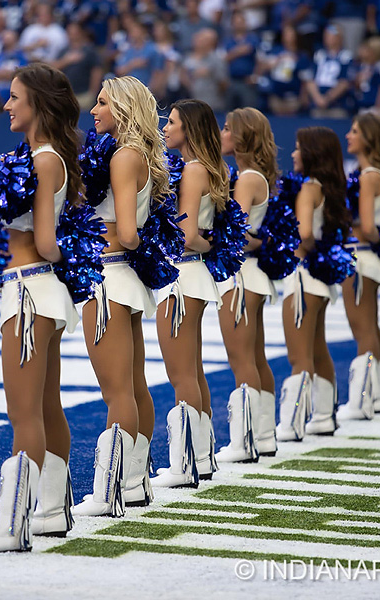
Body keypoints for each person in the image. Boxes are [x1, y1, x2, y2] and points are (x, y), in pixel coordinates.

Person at [0, 64, 81, 550]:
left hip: (28, 289)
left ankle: (14, 525)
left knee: (25, 413)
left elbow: (45, 241)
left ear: (37, 102)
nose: (7, 105)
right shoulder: (46, 156)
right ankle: (52, 511)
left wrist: (73, 255)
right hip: (41, 290)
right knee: (44, 405)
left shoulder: (43, 160)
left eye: (14, 97)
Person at [75, 76, 171, 515]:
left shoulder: (123, 155)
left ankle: (112, 489)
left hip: (111, 276)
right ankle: (135, 484)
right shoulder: (139, 154)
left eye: (101, 103)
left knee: (117, 393)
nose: (93, 111)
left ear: (124, 109)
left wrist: (93, 234)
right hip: (125, 282)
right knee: (133, 386)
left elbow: (129, 234)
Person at [152, 99, 229, 486]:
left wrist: (206, 243)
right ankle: (201, 458)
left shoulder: (194, 169)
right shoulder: (204, 168)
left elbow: (186, 236)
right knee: (193, 371)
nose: (166, 128)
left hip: (182, 278)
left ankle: (186, 465)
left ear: (190, 129)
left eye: (174, 123)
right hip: (192, 277)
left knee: (181, 373)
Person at [277, 127, 351, 440]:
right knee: (318, 350)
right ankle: (323, 416)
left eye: (298, 148)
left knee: (299, 356)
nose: (293, 154)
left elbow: (305, 233)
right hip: (319, 283)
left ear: (312, 153)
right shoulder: (329, 187)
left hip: (304, 278)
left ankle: (293, 422)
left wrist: (295, 250)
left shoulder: (308, 188)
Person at [215, 107, 279, 462]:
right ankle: (264, 435)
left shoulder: (248, 178)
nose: (222, 134)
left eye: (226, 128)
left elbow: (235, 234)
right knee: (254, 357)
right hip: (250, 275)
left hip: (241, 278)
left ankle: (245, 441)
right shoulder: (249, 176)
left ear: (242, 137)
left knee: (242, 360)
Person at [339, 113, 380, 421]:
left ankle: (363, 399)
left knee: (362, 328)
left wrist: (362, 233)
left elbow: (367, 226)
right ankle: (377, 395)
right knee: (370, 326)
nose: (348, 136)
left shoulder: (368, 176)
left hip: (360, 257)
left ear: (370, 139)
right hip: (367, 257)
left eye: (354, 131)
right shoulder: (371, 173)